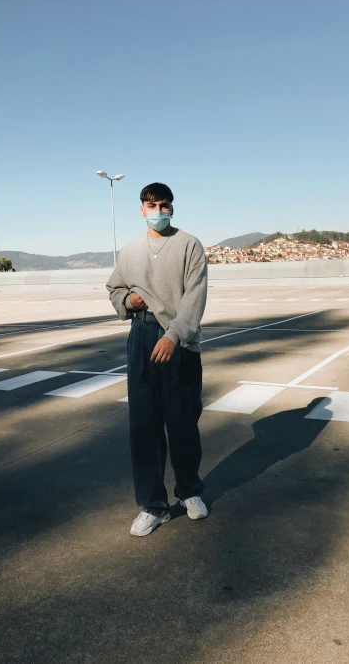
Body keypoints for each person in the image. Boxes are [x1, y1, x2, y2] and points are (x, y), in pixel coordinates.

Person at [106, 182, 209, 537]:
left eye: (164, 205)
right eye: (152, 204)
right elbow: (114, 288)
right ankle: (153, 505)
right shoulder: (130, 250)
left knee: (182, 422)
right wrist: (127, 303)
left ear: (173, 208)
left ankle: (189, 493)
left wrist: (174, 336)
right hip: (141, 336)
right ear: (141, 209)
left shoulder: (189, 245)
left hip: (178, 342)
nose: (158, 210)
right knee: (144, 426)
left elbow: (195, 297)